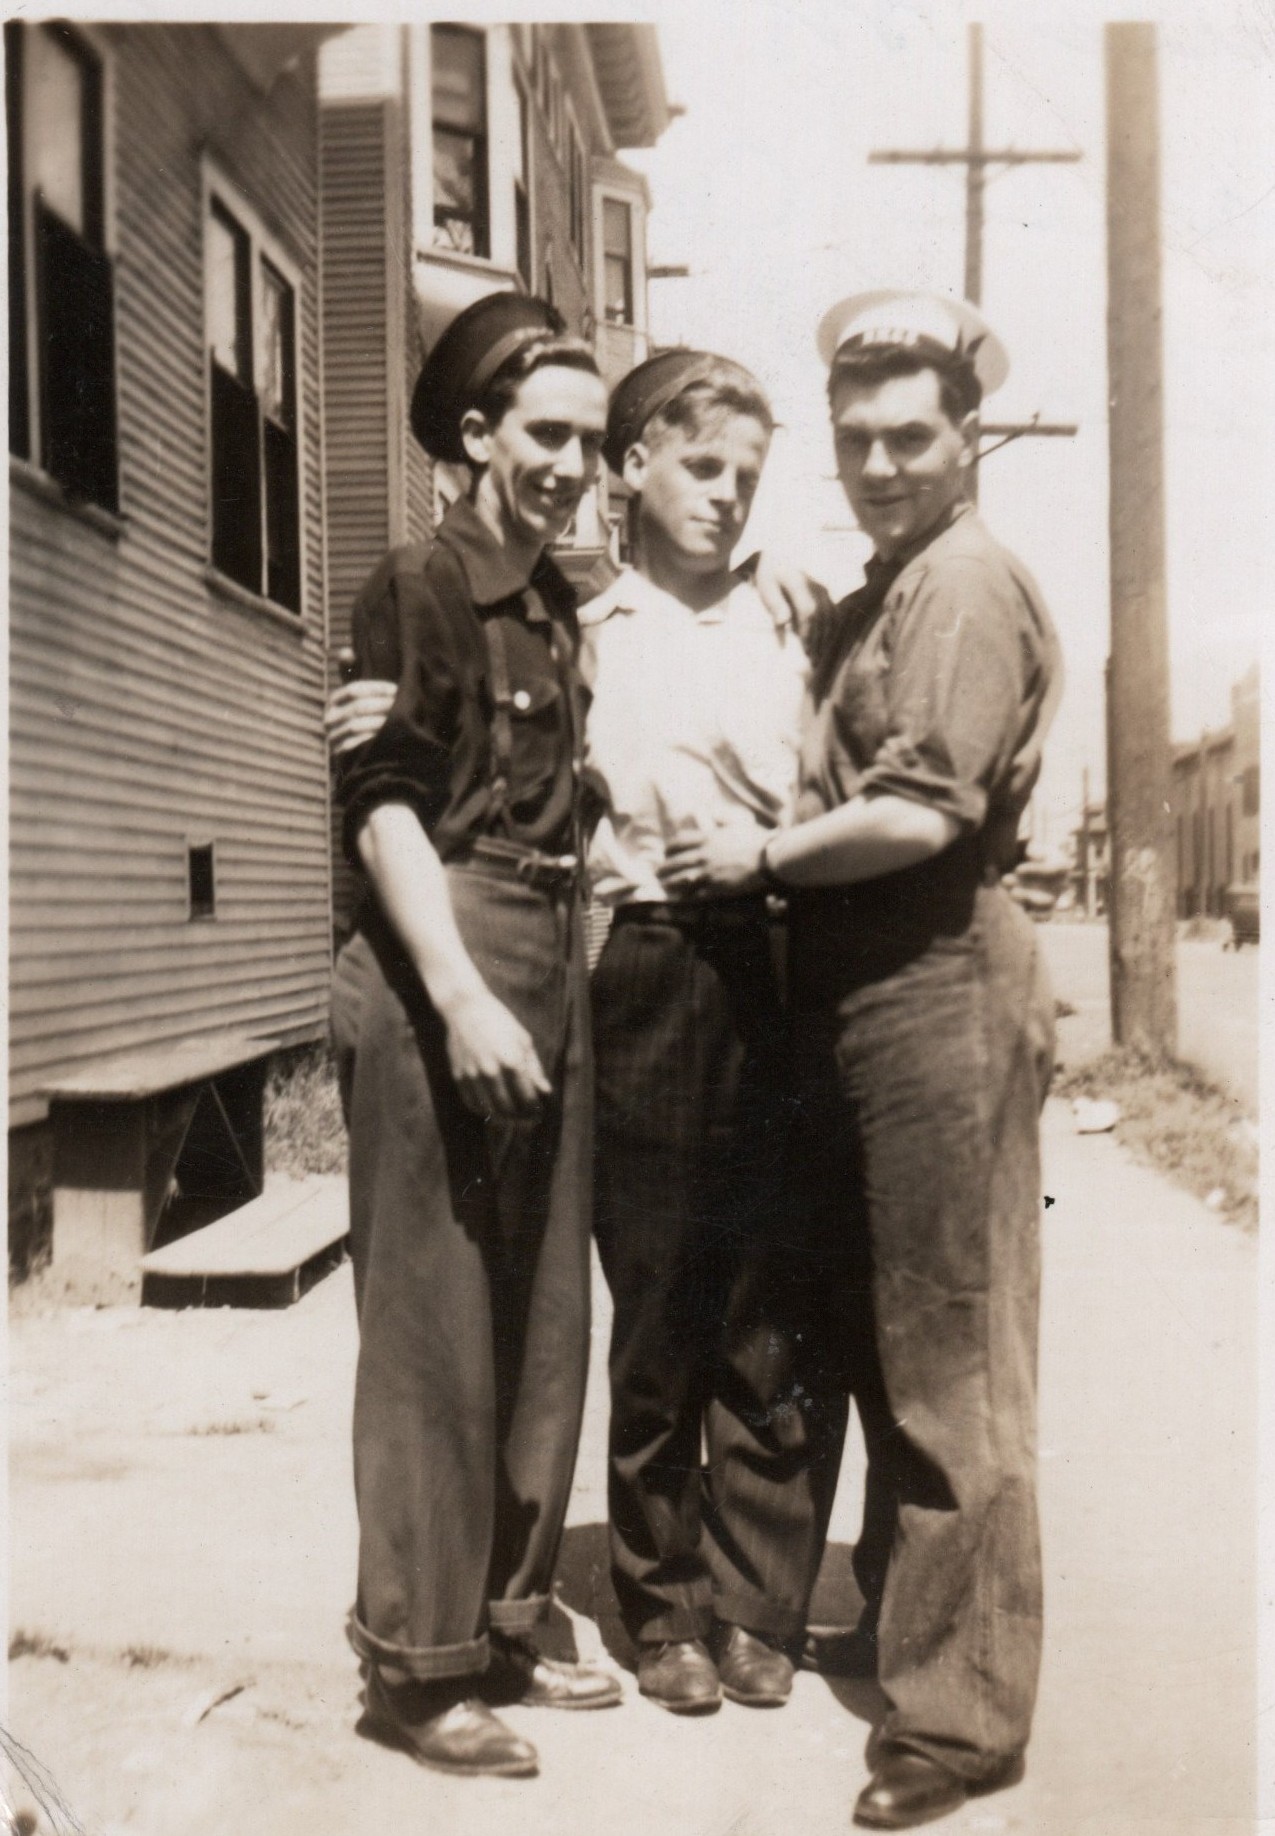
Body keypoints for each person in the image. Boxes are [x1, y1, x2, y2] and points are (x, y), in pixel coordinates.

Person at [752, 292, 1062, 1830]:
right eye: (855, 438)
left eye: (910, 437)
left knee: (952, 1355)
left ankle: (961, 1720)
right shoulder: (886, 592)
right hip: (865, 983)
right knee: (882, 1346)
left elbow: (923, 810)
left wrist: (756, 859)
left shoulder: (963, 584)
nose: (879, 464)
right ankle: (910, 1626)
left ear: (968, 438)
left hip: (937, 967)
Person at [329, 289, 620, 1785]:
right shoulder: (420, 585)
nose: (574, 466)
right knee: (434, 1328)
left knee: (544, 1315)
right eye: (546, 435)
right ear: (475, 435)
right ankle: (418, 1665)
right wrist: (458, 998)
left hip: (548, 950)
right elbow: (385, 809)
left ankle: (504, 1619)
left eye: (591, 442)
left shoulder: (554, 608)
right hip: (440, 954)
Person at [582, 352, 811, 1714]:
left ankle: (759, 1599)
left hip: (775, 956)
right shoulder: (587, 630)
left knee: (768, 1296)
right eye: (701, 466)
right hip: (655, 963)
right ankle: (664, 1602)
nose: (727, 495)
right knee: (661, 1288)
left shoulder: (793, 621)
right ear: (632, 466)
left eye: (748, 475)